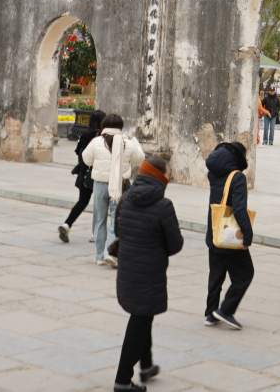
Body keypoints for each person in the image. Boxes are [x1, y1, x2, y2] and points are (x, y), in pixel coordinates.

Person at [112, 156, 183, 392]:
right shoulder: (164, 206)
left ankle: (146, 365)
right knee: (139, 321)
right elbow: (175, 245)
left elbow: (117, 230)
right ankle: (122, 380)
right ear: (160, 177)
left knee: (143, 316)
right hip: (150, 273)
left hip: (127, 270)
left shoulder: (125, 199)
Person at [83, 114, 147, 267]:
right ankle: (110, 253)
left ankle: (99, 256)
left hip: (99, 185)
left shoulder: (97, 141)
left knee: (99, 220)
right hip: (120, 185)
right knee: (116, 220)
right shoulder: (127, 143)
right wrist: (135, 143)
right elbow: (140, 159)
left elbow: (86, 159)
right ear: (120, 126)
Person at [205, 141, 254, 329]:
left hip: (215, 232)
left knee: (216, 275)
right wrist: (247, 234)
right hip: (230, 236)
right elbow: (239, 210)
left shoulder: (213, 173)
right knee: (245, 274)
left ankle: (210, 313)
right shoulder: (237, 178)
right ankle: (225, 310)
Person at [60, 109, 104, 243]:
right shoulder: (101, 136)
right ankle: (95, 233)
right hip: (97, 174)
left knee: (82, 201)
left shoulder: (85, 135)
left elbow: (78, 152)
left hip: (83, 173)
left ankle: (67, 224)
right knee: (100, 204)